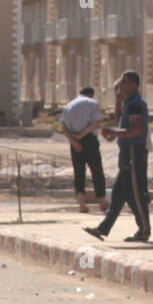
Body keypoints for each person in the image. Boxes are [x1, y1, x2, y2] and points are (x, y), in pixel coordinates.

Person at [84, 70, 150, 243]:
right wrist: (118, 102)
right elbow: (120, 122)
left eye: (126, 83)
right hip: (126, 152)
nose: (122, 86)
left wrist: (115, 132)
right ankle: (103, 228)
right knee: (119, 194)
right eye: (121, 83)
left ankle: (144, 230)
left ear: (134, 84)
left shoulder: (136, 104)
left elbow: (135, 129)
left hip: (134, 152)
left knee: (136, 193)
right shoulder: (129, 103)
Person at [59, 86, 107, 214]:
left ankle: (82, 204)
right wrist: (82, 135)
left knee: (79, 172)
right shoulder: (92, 103)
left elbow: (63, 127)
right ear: (91, 94)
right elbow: (95, 123)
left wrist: (74, 141)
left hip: (74, 140)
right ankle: (102, 202)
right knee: (96, 170)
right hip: (88, 139)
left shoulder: (68, 106)